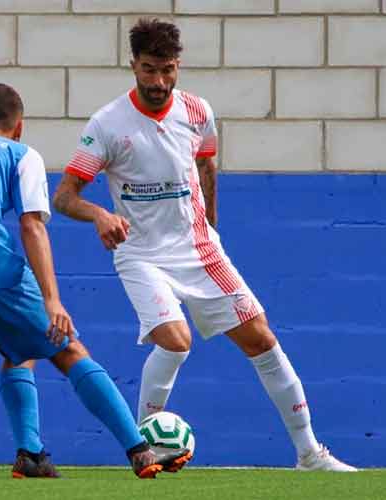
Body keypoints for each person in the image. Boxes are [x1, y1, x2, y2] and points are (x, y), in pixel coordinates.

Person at [53, 18, 357, 472]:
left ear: (179, 66)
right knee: (176, 342)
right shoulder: (108, 124)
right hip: (140, 254)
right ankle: (143, 449)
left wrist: (211, 225)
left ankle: (310, 453)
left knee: (262, 339)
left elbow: (207, 165)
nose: (159, 82)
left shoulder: (197, 112)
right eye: (150, 69)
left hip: (198, 250)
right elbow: (64, 196)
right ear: (133, 65)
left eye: (169, 70)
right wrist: (100, 214)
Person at [0, 83, 190, 479]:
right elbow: (31, 225)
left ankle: (31, 455)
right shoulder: (20, 153)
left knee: (18, 350)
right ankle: (140, 449)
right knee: (69, 350)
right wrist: (52, 300)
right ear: (19, 128)